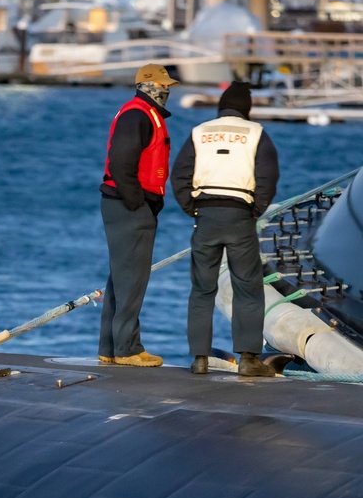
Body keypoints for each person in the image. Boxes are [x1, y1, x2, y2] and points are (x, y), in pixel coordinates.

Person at [170, 81, 280, 377]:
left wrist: (193, 209)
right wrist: (254, 210)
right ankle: (248, 359)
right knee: (248, 288)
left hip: (205, 215)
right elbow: (268, 178)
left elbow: (179, 176)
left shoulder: (199, 132)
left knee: (201, 290)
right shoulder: (256, 133)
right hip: (240, 216)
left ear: (221, 106)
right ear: (247, 107)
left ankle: (200, 358)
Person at [97, 63, 178, 367]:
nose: (167, 90)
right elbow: (121, 164)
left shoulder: (143, 113)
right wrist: (137, 204)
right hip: (128, 207)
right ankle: (127, 349)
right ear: (149, 85)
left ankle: (110, 347)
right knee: (132, 280)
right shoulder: (138, 115)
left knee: (121, 279)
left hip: (125, 205)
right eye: (163, 84)